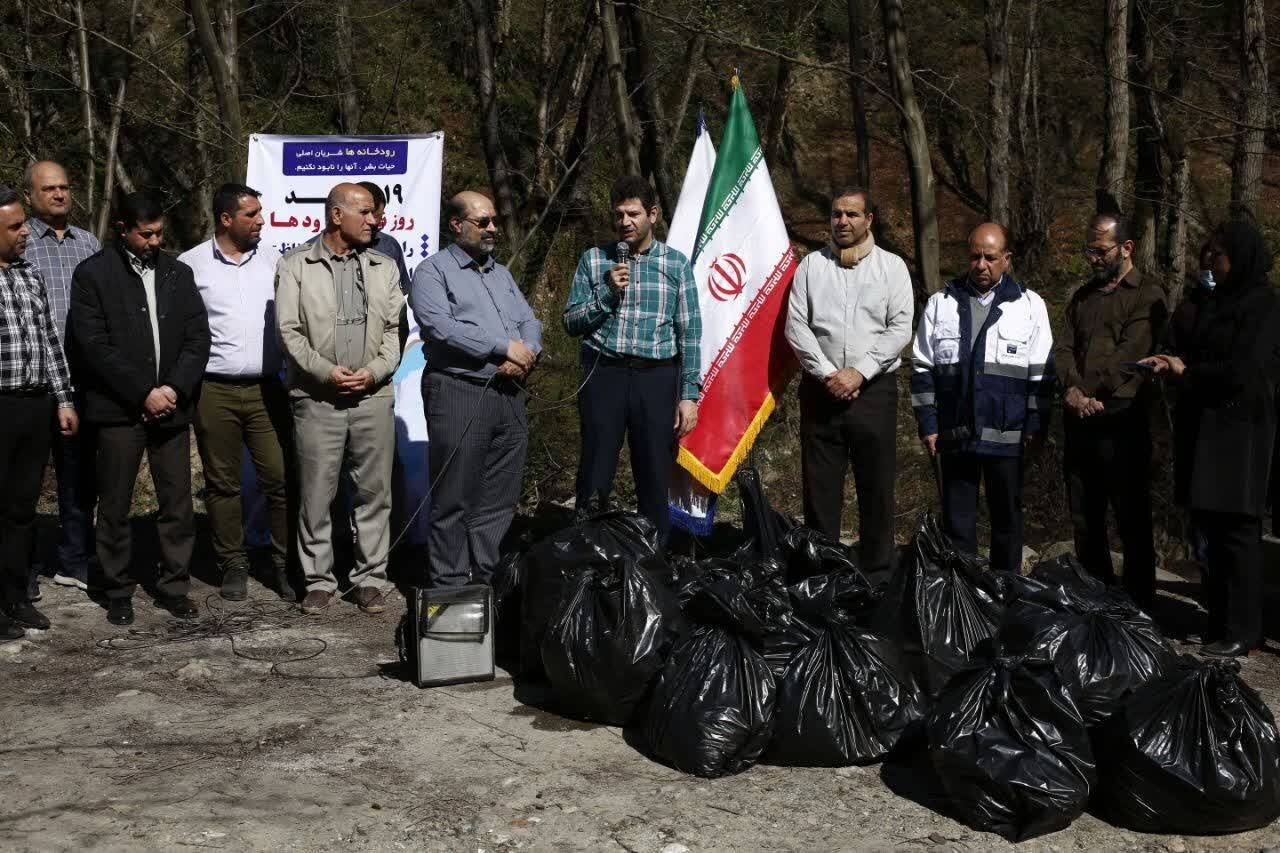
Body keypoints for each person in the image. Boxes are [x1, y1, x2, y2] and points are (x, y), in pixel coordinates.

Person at [70, 192, 210, 626]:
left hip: (171, 407)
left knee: (177, 501)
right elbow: (93, 346)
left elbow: (197, 337)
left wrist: (172, 388)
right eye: (145, 234)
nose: (154, 241)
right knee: (114, 503)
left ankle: (174, 585)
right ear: (122, 230)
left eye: (159, 234)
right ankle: (117, 588)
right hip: (118, 410)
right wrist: (142, 392)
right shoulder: (93, 275)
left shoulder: (178, 273)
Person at [1142, 219, 1280, 658]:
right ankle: (1218, 621)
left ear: (1238, 261)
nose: (1211, 265)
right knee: (1211, 532)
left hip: (1241, 436)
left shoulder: (1263, 306)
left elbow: (1245, 372)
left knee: (1238, 533)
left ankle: (1245, 628)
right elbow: (1200, 349)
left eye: (1217, 257)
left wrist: (1190, 372)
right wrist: (1172, 361)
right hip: (1206, 430)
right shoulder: (1216, 303)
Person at [276, 182, 402, 615]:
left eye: (374, 214)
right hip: (317, 398)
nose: (374, 220)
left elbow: (393, 333)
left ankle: (370, 578)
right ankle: (317, 580)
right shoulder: (296, 265)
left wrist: (374, 372)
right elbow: (289, 332)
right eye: (365, 213)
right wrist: (328, 372)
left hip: (373, 395)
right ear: (336, 216)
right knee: (316, 492)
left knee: (374, 492)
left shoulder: (384, 266)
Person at [410, 191, 540, 587]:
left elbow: (529, 321)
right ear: (456, 225)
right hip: (459, 391)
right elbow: (440, 326)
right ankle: (449, 588)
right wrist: (502, 347)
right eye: (483, 222)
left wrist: (526, 352)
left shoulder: (499, 273)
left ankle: (486, 581)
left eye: (494, 221)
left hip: (509, 394)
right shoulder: (433, 272)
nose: (492, 229)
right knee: (453, 498)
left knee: (498, 499)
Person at [562, 175, 701, 541]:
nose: (625, 222)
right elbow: (571, 322)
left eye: (633, 213)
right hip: (603, 373)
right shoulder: (594, 260)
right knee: (595, 469)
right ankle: (588, 553)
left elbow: (690, 334)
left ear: (652, 214)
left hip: (656, 377)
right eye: (619, 214)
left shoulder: (676, 265)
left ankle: (653, 562)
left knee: (654, 471)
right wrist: (607, 292)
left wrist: (689, 395)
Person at [911, 223, 1054, 574]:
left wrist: (1036, 425)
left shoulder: (1030, 306)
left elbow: (1042, 373)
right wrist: (928, 424)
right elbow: (921, 368)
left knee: (1007, 519)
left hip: (1008, 435)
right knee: (957, 523)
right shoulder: (940, 304)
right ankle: (964, 597)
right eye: (975, 256)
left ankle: (1005, 591)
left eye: (990, 257)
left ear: (1006, 259)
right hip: (955, 433)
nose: (981, 265)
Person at [784, 187, 913, 572]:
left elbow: (900, 328)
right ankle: (823, 575)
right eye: (837, 214)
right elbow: (796, 326)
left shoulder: (892, 268)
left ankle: (877, 573)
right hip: (821, 392)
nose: (843, 221)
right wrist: (829, 374)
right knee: (820, 490)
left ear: (869, 219)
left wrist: (859, 372)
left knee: (876, 488)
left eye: (852, 214)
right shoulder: (811, 267)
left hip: (874, 392)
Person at [178, 183, 290, 601]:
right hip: (213, 390)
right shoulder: (191, 265)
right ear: (226, 219)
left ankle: (281, 565)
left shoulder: (276, 261)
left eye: (261, 212)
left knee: (278, 479)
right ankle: (233, 564)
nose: (261, 220)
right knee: (223, 484)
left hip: (267, 389)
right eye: (252, 214)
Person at [1054, 214, 1167, 609]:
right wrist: (1072, 390)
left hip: (1122, 419)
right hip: (1080, 418)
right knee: (1086, 515)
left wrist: (1089, 393)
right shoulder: (1084, 296)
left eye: (1101, 251)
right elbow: (1063, 348)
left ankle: (1138, 604)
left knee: (1131, 517)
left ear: (1126, 248)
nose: (1093, 259)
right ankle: (1095, 598)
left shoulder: (1147, 295)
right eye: (1089, 251)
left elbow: (1130, 354)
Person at [0, 187, 78, 640]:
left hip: (35, 406)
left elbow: (50, 342)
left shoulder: (29, 275)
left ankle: (15, 598)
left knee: (21, 510)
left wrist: (64, 400)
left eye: (22, 223)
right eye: (14, 227)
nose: (26, 232)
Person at [22, 160, 100, 595]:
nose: (59, 195)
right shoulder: (18, 242)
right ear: (31, 195)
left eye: (65, 187)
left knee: (78, 477)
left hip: (80, 380)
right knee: (25, 481)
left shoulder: (88, 243)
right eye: (49, 188)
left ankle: (74, 560)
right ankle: (26, 566)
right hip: (32, 381)